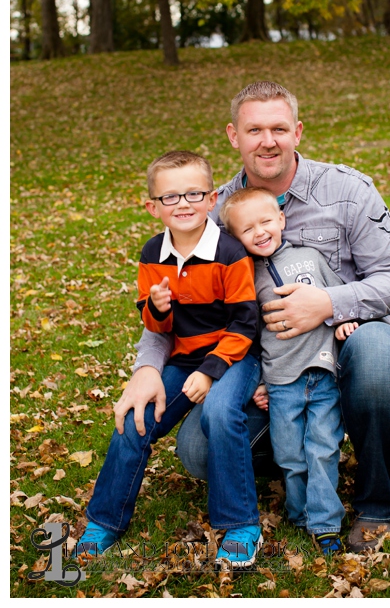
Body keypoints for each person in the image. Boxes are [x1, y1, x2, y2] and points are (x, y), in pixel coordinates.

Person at [120, 81, 390, 554]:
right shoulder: (212, 211)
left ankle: (376, 498)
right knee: (198, 451)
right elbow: (172, 299)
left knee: (379, 355)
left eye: (279, 128)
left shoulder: (348, 190)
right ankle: (303, 453)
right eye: (254, 129)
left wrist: (328, 303)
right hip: (269, 363)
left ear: (297, 132)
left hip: (350, 338)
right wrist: (147, 368)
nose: (268, 140)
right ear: (233, 136)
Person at [75, 151, 263, 569]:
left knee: (218, 411)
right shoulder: (151, 253)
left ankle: (241, 524)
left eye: (194, 193)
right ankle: (104, 521)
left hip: (234, 359)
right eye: (170, 196)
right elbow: (155, 326)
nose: (183, 203)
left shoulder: (230, 253)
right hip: (181, 361)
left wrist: (211, 372)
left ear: (212, 198)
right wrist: (157, 307)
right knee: (135, 417)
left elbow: (246, 323)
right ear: (152, 206)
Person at [218, 187, 355, 556]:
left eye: (266, 221)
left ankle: (326, 524)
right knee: (290, 454)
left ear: (281, 219)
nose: (260, 231)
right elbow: (252, 336)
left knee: (323, 448)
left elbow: (340, 293)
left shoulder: (310, 256)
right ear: (234, 237)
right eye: (248, 229)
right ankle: (299, 513)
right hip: (280, 382)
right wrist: (260, 381)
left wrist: (342, 320)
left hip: (322, 373)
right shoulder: (245, 277)